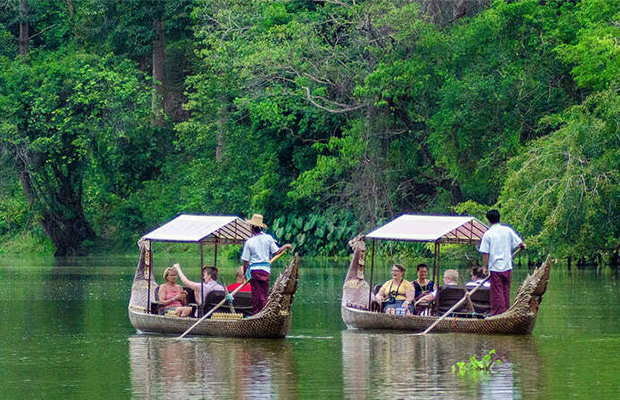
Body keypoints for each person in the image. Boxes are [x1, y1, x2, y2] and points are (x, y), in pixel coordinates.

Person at [478, 209, 526, 316]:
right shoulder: (507, 230)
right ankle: (506, 312)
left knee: (497, 293)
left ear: (489, 221)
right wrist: (522, 246)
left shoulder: (488, 234)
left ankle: (499, 315)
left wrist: (484, 267)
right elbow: (520, 244)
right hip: (507, 267)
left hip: (495, 268)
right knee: (505, 291)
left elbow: (486, 252)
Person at [241, 214, 292, 314]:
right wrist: (285, 246)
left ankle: (257, 314)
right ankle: (264, 313)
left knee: (256, 295)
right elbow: (277, 252)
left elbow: (245, 261)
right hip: (265, 270)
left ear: (251, 228)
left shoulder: (249, 242)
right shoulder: (268, 238)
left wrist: (245, 274)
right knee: (264, 295)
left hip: (254, 271)